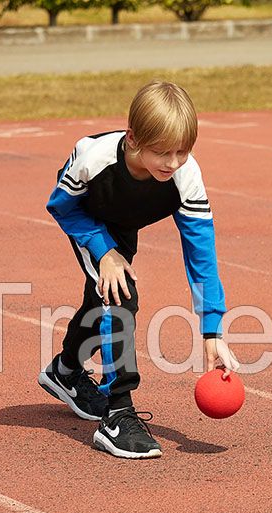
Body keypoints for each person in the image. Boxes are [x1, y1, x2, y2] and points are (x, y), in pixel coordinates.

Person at [38, 80, 239, 460]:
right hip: (88, 221)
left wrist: (212, 331)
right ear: (132, 139)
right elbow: (62, 206)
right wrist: (104, 252)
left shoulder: (185, 176)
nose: (173, 162)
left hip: (123, 224)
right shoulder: (94, 159)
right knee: (120, 295)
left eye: (183, 151)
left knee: (100, 298)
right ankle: (117, 414)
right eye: (163, 152)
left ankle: (65, 371)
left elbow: (201, 253)